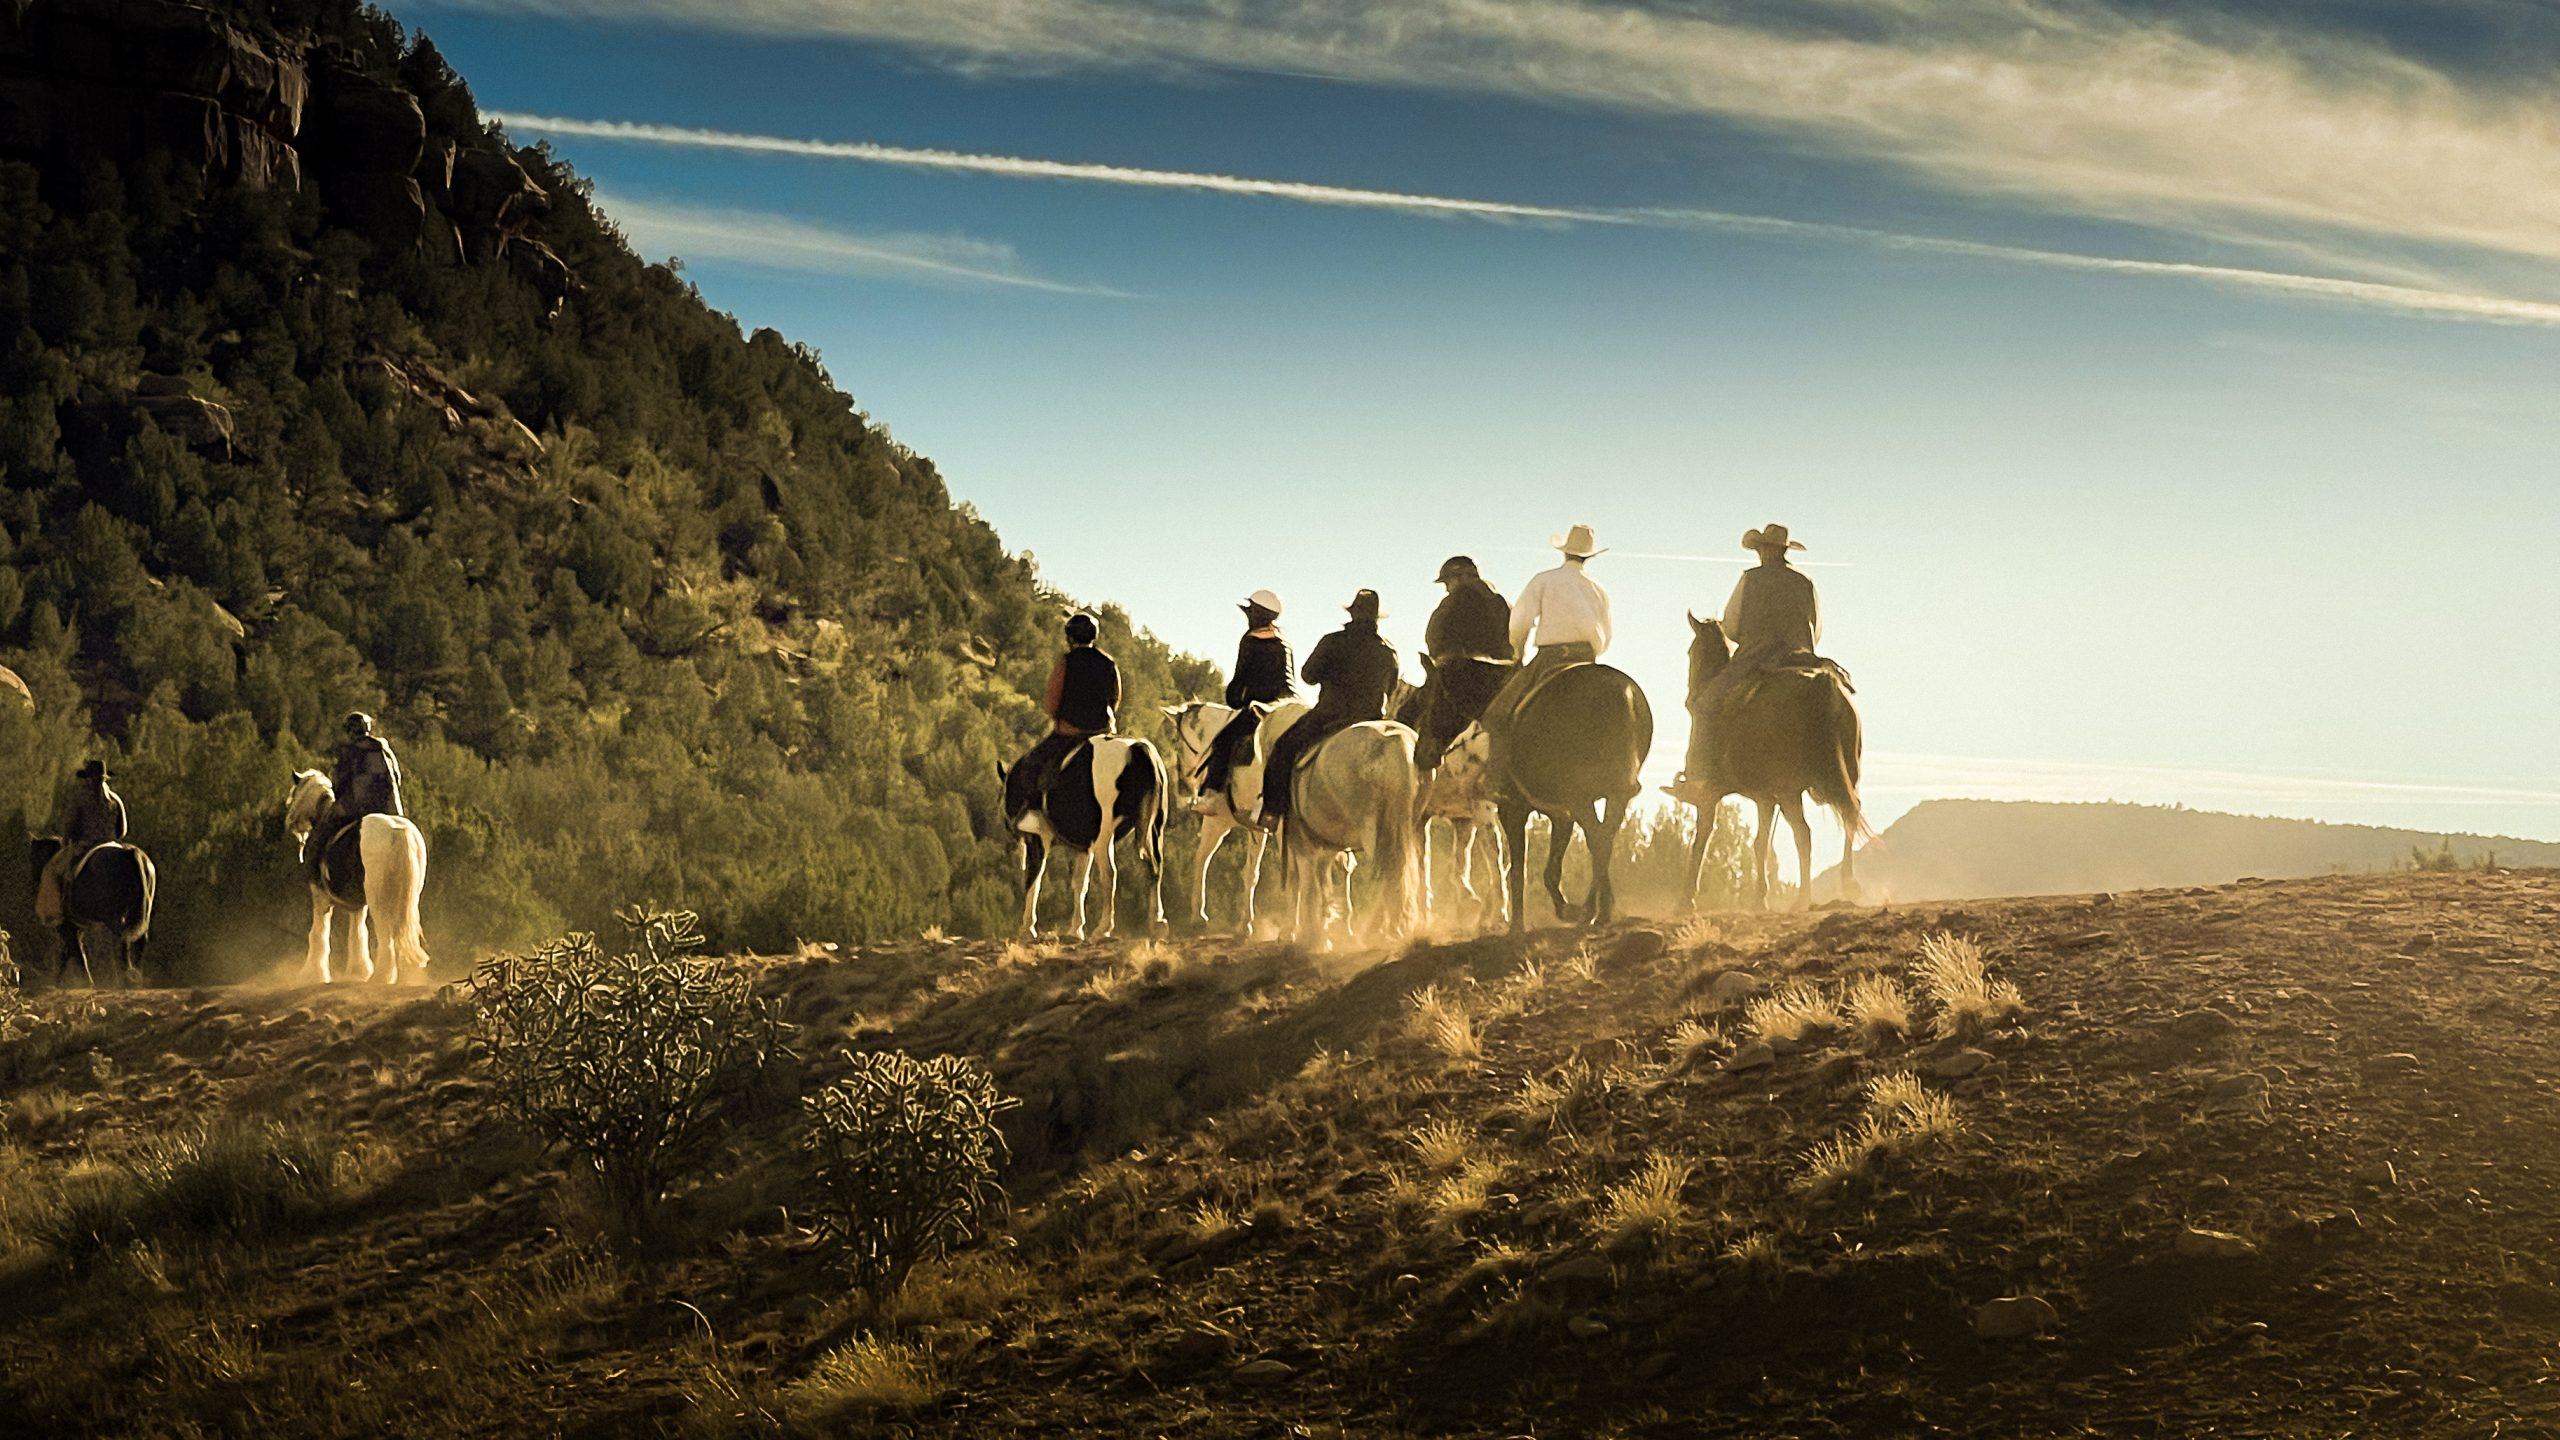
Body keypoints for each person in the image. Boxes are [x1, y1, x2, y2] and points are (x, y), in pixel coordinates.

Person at [1678, 523, 1825, 797]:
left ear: (1763, 551)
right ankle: (1824, 779)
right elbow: (1815, 630)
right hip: (1802, 660)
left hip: (1755, 660)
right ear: (1783, 551)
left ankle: (1698, 779)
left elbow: (1731, 628)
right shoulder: (1805, 582)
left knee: (1703, 705)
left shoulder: (1750, 579)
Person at [1256, 589, 1399, 823]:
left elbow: (1308, 675)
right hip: (1373, 719)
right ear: (1375, 618)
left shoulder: (1333, 641)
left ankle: (1271, 812)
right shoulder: (1389, 651)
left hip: (1331, 715)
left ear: (1353, 613)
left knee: (1283, 748)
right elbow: (1391, 689)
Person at [1478, 524, 1613, 765]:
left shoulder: (1544, 580)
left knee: (1498, 713)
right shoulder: (1598, 590)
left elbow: (1520, 621)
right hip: (1588, 659)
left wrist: (1518, 652)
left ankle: (1499, 782)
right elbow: (1606, 637)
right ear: (1589, 557)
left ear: (1564, 552)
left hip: (1551, 658)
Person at [1005, 613, 1120, 819]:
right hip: (1104, 732)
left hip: (1070, 732)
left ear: (1070, 637)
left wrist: (1060, 717)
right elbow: (1116, 697)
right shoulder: (1109, 663)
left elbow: (1052, 702)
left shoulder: (1066, 661)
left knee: (1031, 765)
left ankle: (1032, 811)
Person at [1195, 589, 1295, 806]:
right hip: (1290, 705)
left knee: (1223, 741)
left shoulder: (1251, 640)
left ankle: (1211, 795)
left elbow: (1242, 677)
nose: (1248, 616)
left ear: (1259, 614)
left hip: (1262, 706)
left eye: (1251, 612)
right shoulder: (1284, 641)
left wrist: (1234, 699)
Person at [1412, 555, 1513, 768]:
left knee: (1413, 710)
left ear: (1460, 578)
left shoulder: (1455, 599)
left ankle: (1429, 755)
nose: (1447, 588)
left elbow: (1435, 635)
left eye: (1448, 582)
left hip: (1461, 673)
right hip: (1503, 678)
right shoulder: (1502, 601)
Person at [311, 712, 405, 884]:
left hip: (356, 806)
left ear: (349, 731)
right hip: (390, 808)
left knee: (323, 830)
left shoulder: (348, 750)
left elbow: (339, 781)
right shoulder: (384, 747)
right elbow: (397, 778)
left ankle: (317, 877)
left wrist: (338, 797)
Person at [40, 758, 126, 922]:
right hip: (113, 844)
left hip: (87, 845)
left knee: (51, 870)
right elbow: (122, 831)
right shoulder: (116, 800)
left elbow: (70, 827)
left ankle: (58, 912)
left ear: (87, 779)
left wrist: (68, 840)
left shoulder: (81, 799)